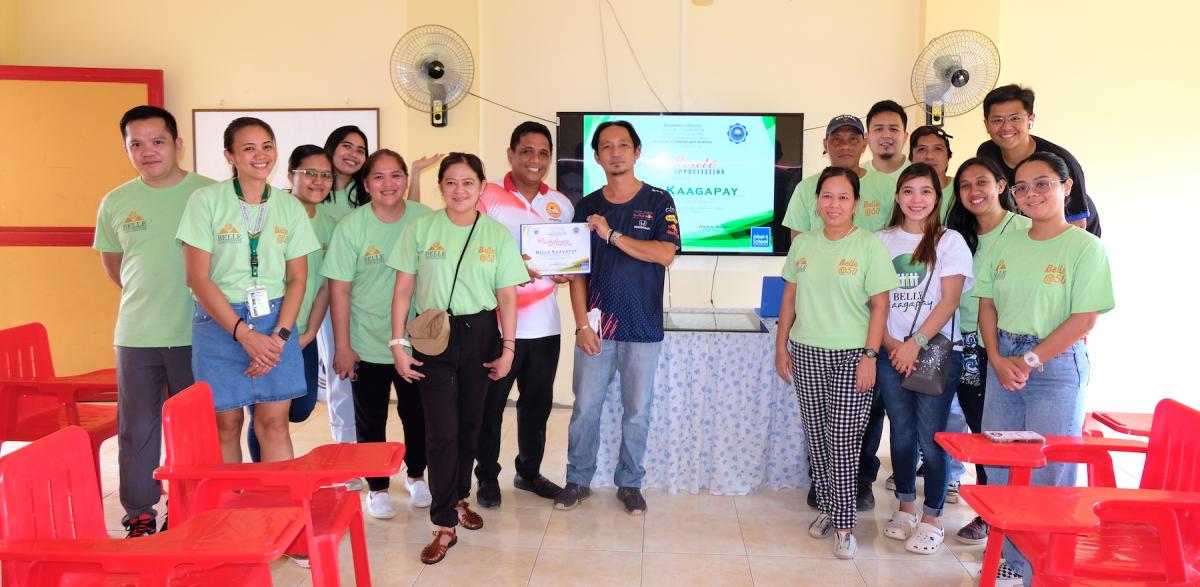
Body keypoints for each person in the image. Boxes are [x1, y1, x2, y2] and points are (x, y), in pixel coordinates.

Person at [973, 152, 1114, 586]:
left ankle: (1045, 568)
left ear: (1066, 186)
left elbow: (1083, 318)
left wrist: (1029, 361)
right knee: (999, 466)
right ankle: (1016, 561)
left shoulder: (1084, 247)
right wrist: (997, 359)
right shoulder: (1005, 242)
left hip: (1053, 367)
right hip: (1003, 361)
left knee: (1049, 472)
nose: (1031, 193)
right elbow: (987, 304)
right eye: (1022, 187)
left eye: (1043, 183)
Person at [388, 153, 526, 565]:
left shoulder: (496, 235)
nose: (459, 190)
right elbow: (402, 290)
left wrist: (509, 348)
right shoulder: (420, 228)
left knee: (470, 423)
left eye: (468, 182)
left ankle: (459, 496)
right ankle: (444, 522)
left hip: (481, 333)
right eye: (451, 182)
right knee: (441, 430)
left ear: (482, 186)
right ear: (441, 187)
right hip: (432, 335)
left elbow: (507, 296)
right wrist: (397, 343)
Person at [93, 105, 215, 537]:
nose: (148, 151)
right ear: (127, 149)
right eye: (136, 144)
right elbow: (116, 267)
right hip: (137, 334)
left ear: (178, 144)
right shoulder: (116, 201)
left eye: (157, 141)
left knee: (195, 429)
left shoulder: (210, 194)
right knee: (137, 428)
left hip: (198, 333)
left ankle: (188, 510)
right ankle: (140, 512)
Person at [554, 120, 680, 516]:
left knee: (637, 410)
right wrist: (581, 324)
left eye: (623, 145)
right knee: (585, 407)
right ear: (596, 157)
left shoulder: (660, 200)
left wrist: (611, 236)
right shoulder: (587, 206)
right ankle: (578, 479)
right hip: (598, 328)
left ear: (637, 151)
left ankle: (630, 483)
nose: (616, 152)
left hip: (643, 327)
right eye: (606, 146)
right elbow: (576, 274)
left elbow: (664, 253)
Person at [177, 117, 318, 463]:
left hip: (276, 322)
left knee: (273, 423)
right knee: (225, 423)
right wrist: (243, 333)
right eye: (248, 148)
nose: (260, 155)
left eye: (267, 146)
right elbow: (197, 277)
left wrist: (279, 336)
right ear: (230, 156)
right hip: (220, 321)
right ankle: (231, 509)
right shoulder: (205, 200)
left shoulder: (289, 207)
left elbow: (298, 278)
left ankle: (279, 509)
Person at [774, 166, 897, 559]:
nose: (834, 204)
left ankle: (845, 525)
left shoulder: (869, 245)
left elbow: (881, 305)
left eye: (843, 197)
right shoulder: (803, 245)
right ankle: (829, 508)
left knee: (843, 441)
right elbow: (789, 299)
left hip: (853, 355)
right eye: (827, 196)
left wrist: (870, 355)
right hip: (806, 351)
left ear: (856, 204)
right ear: (817, 201)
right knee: (818, 440)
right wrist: (781, 346)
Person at [321, 149, 434, 518]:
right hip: (365, 340)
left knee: (417, 414)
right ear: (367, 184)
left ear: (406, 178)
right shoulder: (352, 226)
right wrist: (342, 345)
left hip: (415, 339)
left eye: (396, 175)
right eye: (379, 177)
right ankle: (378, 487)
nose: (389, 183)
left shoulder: (424, 218)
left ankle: (416, 475)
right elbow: (338, 290)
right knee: (371, 418)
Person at [473, 122, 574, 507]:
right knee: (491, 406)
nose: (535, 160)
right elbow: (475, 253)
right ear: (511, 154)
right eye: (527, 151)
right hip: (495, 324)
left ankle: (529, 472)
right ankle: (486, 477)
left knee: (537, 404)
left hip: (546, 325)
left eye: (543, 153)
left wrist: (568, 270)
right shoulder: (488, 197)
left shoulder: (561, 205)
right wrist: (515, 267)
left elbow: (569, 257)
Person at [875, 163, 972, 556]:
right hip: (890, 350)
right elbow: (874, 301)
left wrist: (914, 343)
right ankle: (905, 507)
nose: (917, 200)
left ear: (937, 197)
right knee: (900, 433)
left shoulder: (950, 242)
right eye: (909, 191)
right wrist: (891, 344)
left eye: (926, 192)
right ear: (897, 196)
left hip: (934, 352)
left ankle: (933, 518)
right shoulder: (879, 241)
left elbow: (949, 301)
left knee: (932, 439)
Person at [944, 156, 1031, 546]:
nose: (973, 192)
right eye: (964, 186)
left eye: (981, 182)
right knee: (983, 433)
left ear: (1001, 185)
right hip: (966, 346)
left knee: (1014, 439)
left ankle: (1018, 518)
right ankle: (989, 513)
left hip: (1010, 347)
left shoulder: (1024, 229)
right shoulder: (958, 235)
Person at [245, 145, 336, 462]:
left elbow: (325, 284)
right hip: (266, 333)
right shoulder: (270, 213)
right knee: (268, 412)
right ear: (290, 174)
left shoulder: (329, 223)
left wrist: (310, 332)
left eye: (326, 175)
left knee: (301, 407)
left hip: (301, 334)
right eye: (310, 173)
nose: (318, 181)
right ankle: (264, 477)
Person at [855, 99, 910, 510]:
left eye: (893, 127)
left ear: (904, 133)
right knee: (868, 405)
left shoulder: (924, 181)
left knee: (913, 416)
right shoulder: (858, 182)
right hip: (867, 315)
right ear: (868, 136)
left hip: (918, 318)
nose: (886, 134)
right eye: (878, 128)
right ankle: (862, 477)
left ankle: (913, 487)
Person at [976, 84, 1101, 236]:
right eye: (997, 120)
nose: (1006, 127)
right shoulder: (987, 153)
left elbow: (1078, 226)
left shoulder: (1061, 161)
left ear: (1030, 119)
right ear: (986, 125)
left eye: (1015, 118)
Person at [781, 114, 867, 237]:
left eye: (852, 139)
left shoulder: (885, 186)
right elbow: (797, 246)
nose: (845, 145)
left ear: (864, 144)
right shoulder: (804, 189)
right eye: (837, 139)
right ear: (825, 144)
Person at [908, 125, 956, 221]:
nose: (929, 156)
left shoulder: (961, 188)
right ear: (911, 158)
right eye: (921, 149)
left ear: (948, 157)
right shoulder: (902, 192)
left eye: (938, 148)